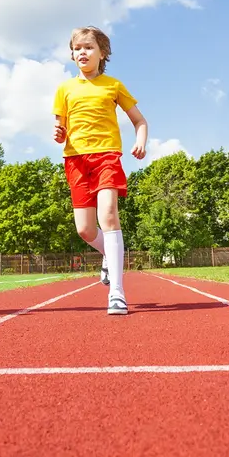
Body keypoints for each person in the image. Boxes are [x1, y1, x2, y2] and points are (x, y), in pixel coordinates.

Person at [53, 26, 148, 315]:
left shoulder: (113, 85)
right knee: (84, 230)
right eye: (77, 48)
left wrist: (140, 142)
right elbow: (61, 127)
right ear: (72, 54)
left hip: (107, 156)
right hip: (76, 160)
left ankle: (117, 293)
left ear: (102, 52)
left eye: (89, 47)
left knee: (108, 215)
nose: (82, 52)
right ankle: (109, 253)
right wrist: (59, 133)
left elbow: (140, 121)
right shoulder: (64, 89)